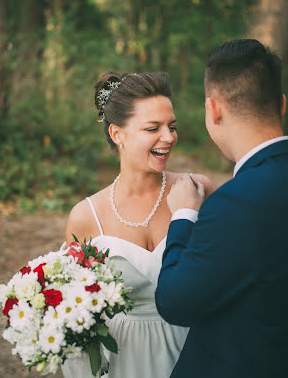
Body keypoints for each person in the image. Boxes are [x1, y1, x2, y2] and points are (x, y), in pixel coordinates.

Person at [155, 39, 288, 377]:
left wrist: (184, 215)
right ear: (282, 105)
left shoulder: (236, 203)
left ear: (214, 109)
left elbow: (175, 302)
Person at [62, 71, 215, 378]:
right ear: (118, 134)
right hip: (121, 359)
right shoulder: (85, 215)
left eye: (172, 127)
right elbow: (74, 308)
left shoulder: (199, 191)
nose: (169, 137)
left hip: (193, 352)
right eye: (152, 128)